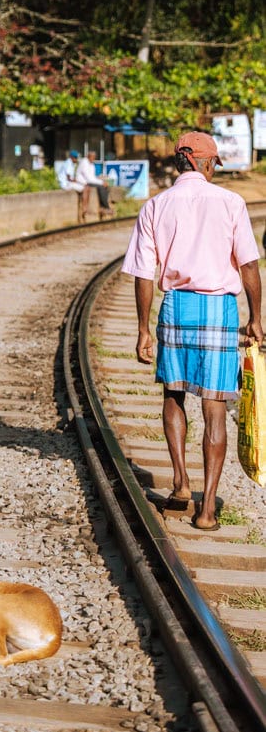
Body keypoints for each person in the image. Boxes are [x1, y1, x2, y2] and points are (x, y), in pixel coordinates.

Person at [121, 130, 263, 531]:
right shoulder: (231, 203)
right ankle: (207, 511)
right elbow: (249, 266)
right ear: (203, 162)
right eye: (213, 165)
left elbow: (143, 274)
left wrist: (143, 330)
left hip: (176, 308)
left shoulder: (156, 206)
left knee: (174, 394)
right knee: (214, 407)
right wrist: (255, 318)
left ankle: (181, 484)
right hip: (218, 309)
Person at [76, 150, 112, 218]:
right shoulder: (84, 162)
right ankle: (105, 207)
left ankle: (103, 207)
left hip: (89, 181)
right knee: (101, 186)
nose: (94, 159)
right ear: (89, 156)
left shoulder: (91, 164)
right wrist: (101, 182)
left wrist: (101, 180)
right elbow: (89, 178)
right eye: (93, 157)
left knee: (105, 187)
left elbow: (93, 177)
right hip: (83, 182)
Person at [57, 150, 86, 223]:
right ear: (72, 157)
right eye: (75, 158)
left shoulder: (71, 163)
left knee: (82, 186)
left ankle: (82, 205)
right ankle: (83, 208)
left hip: (67, 183)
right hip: (65, 184)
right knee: (83, 188)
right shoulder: (69, 163)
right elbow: (69, 178)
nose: (76, 160)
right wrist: (78, 181)